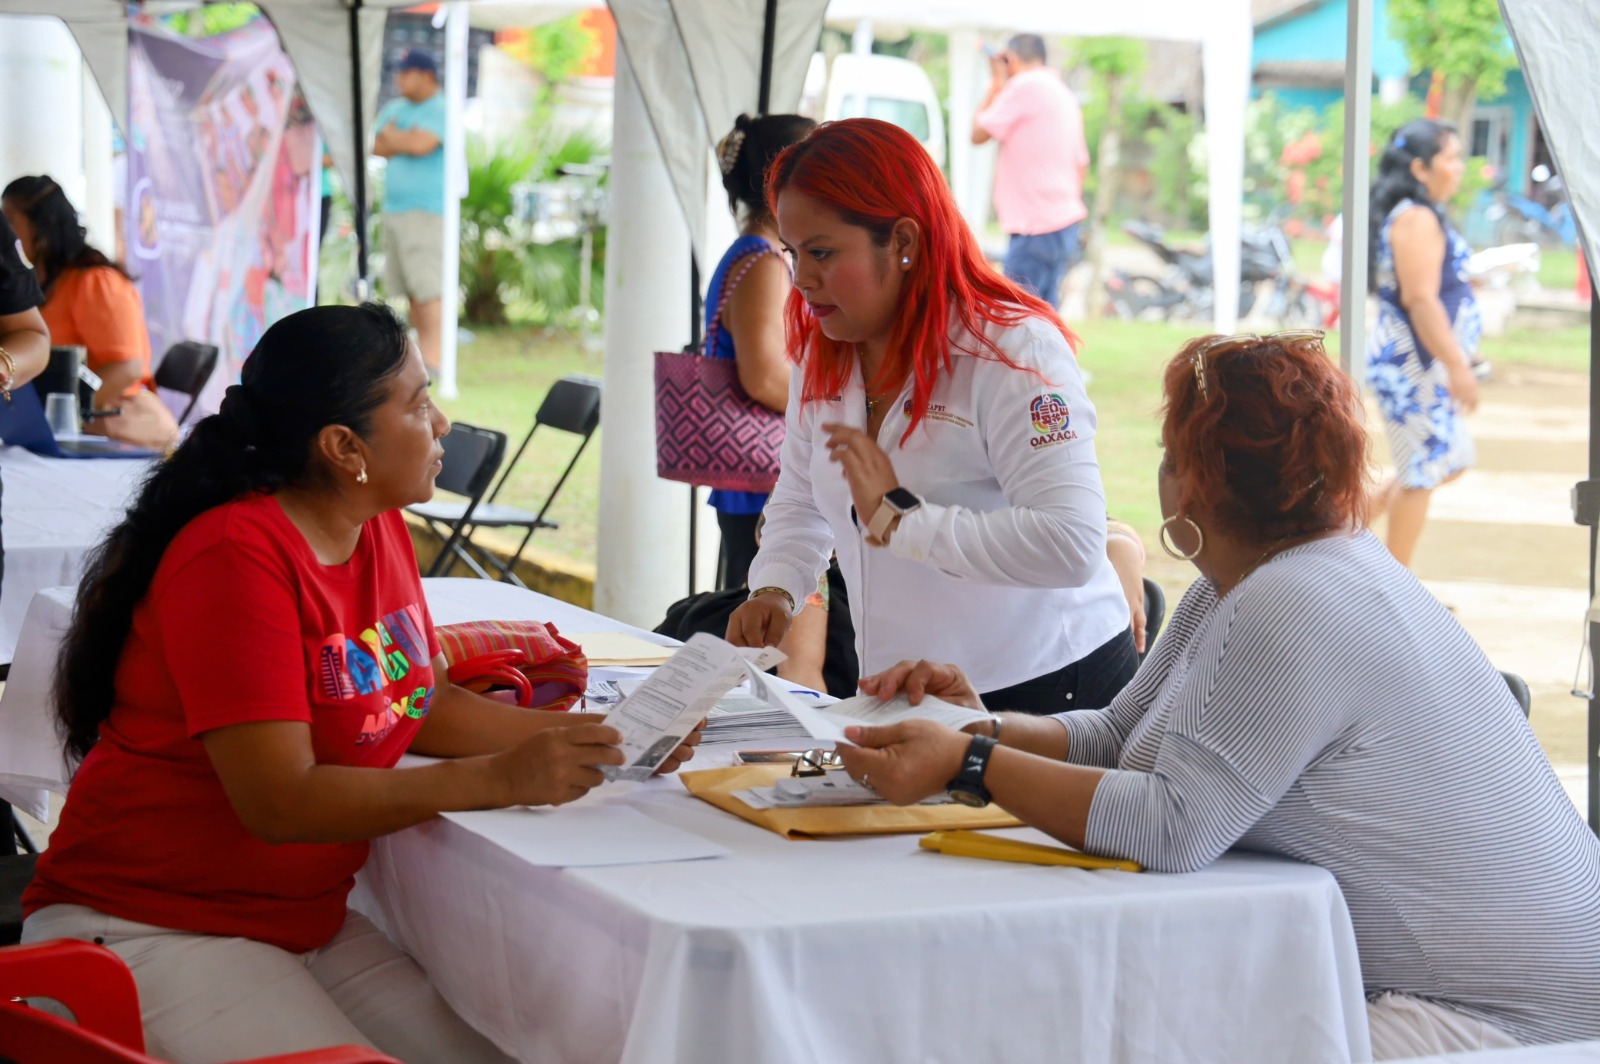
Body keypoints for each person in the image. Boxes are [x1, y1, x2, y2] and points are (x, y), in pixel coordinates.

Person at [834, 331, 1600, 1057]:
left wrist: (968, 764)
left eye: (1170, 452)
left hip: (1512, 1021)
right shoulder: (1262, 579)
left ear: (1197, 480)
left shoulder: (1291, 602)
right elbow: (1117, 735)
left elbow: (1171, 826)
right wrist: (978, 726)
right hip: (1484, 991)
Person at [21, 303, 698, 1062]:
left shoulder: (372, 522)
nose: (442, 424)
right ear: (345, 447)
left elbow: (420, 702)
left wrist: (606, 741)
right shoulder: (236, 556)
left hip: (298, 920)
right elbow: (280, 798)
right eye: (418, 404)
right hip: (150, 926)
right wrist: (498, 779)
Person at [726, 119, 1135, 715]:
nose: (801, 279)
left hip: (1048, 686)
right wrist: (776, 586)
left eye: (822, 253)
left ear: (904, 241)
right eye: (792, 253)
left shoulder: (1011, 351)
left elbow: (1069, 544)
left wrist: (903, 522)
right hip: (906, 688)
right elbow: (801, 503)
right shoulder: (825, 349)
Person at [707, 113, 816, 589]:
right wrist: (836, 411)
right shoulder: (763, 264)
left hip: (757, 476)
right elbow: (765, 377)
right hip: (762, 478)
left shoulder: (754, 255)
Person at [1364, 120, 1480, 568]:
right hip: (1414, 363)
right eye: (1450, 158)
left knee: (1447, 462)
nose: (1459, 168)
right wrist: (1458, 366)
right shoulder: (1416, 217)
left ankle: (1340, 528)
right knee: (1422, 473)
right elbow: (1420, 299)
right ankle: (1397, 587)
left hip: (1422, 362)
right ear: (1420, 167)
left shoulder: (1422, 215)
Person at [2, 176, 155, 411]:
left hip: (115, 417)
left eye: (10, 222)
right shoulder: (44, 284)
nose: (7, 234)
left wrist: (70, 412)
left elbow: (129, 368)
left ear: (41, 229)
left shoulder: (95, 282)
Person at [971, 34, 1089, 309]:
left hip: (1035, 226)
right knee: (1048, 323)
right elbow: (1081, 164)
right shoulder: (1063, 92)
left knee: (1015, 320)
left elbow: (977, 134)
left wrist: (996, 83)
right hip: (1062, 223)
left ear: (1010, 59)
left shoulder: (1024, 86)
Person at [374, 50, 447, 375]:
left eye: (407, 72)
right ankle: (419, 357)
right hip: (395, 210)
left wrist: (395, 138)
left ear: (427, 76)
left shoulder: (441, 109)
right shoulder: (395, 108)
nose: (399, 78)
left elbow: (423, 145)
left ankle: (434, 360)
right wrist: (400, 139)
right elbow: (375, 144)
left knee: (426, 286)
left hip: (426, 211)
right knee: (407, 288)